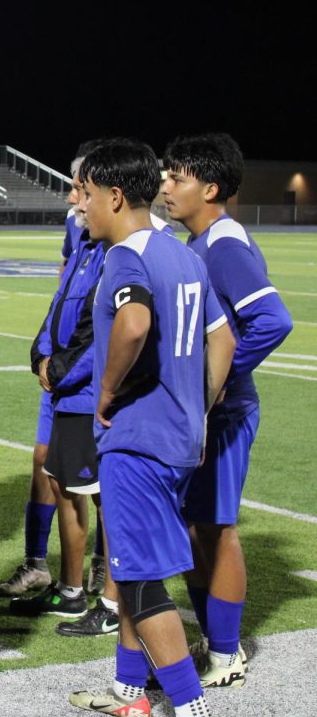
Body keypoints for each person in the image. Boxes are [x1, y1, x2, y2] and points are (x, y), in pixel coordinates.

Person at [67, 139, 235, 717]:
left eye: (85, 195)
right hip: (182, 437)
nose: (79, 207)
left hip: (137, 439)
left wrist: (107, 389)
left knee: (138, 581)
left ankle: (190, 707)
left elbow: (133, 324)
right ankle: (130, 691)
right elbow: (224, 338)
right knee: (138, 566)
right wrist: (200, 404)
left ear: (114, 196)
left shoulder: (124, 257)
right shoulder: (183, 254)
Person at [162, 133, 292, 688]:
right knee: (196, 528)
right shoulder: (198, 242)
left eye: (177, 177)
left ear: (210, 187)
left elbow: (272, 320)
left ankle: (227, 651)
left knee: (218, 528)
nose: (165, 186)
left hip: (225, 413)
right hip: (204, 412)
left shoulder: (223, 244)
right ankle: (215, 637)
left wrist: (214, 382)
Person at [12, 143, 124, 636]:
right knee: (65, 485)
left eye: (80, 188)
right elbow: (62, 302)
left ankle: (113, 602)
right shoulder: (81, 238)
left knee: (102, 495)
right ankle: (73, 588)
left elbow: (102, 328)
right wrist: (40, 352)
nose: (73, 198)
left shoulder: (121, 249)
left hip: (86, 390)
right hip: (67, 388)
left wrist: (58, 369)